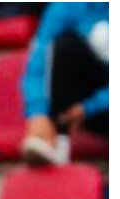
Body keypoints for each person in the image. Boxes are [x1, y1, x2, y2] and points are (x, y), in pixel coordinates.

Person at [20, 2, 108, 163]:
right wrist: (37, 113)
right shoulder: (67, 6)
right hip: (85, 108)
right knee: (65, 45)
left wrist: (90, 106)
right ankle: (57, 137)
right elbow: (39, 59)